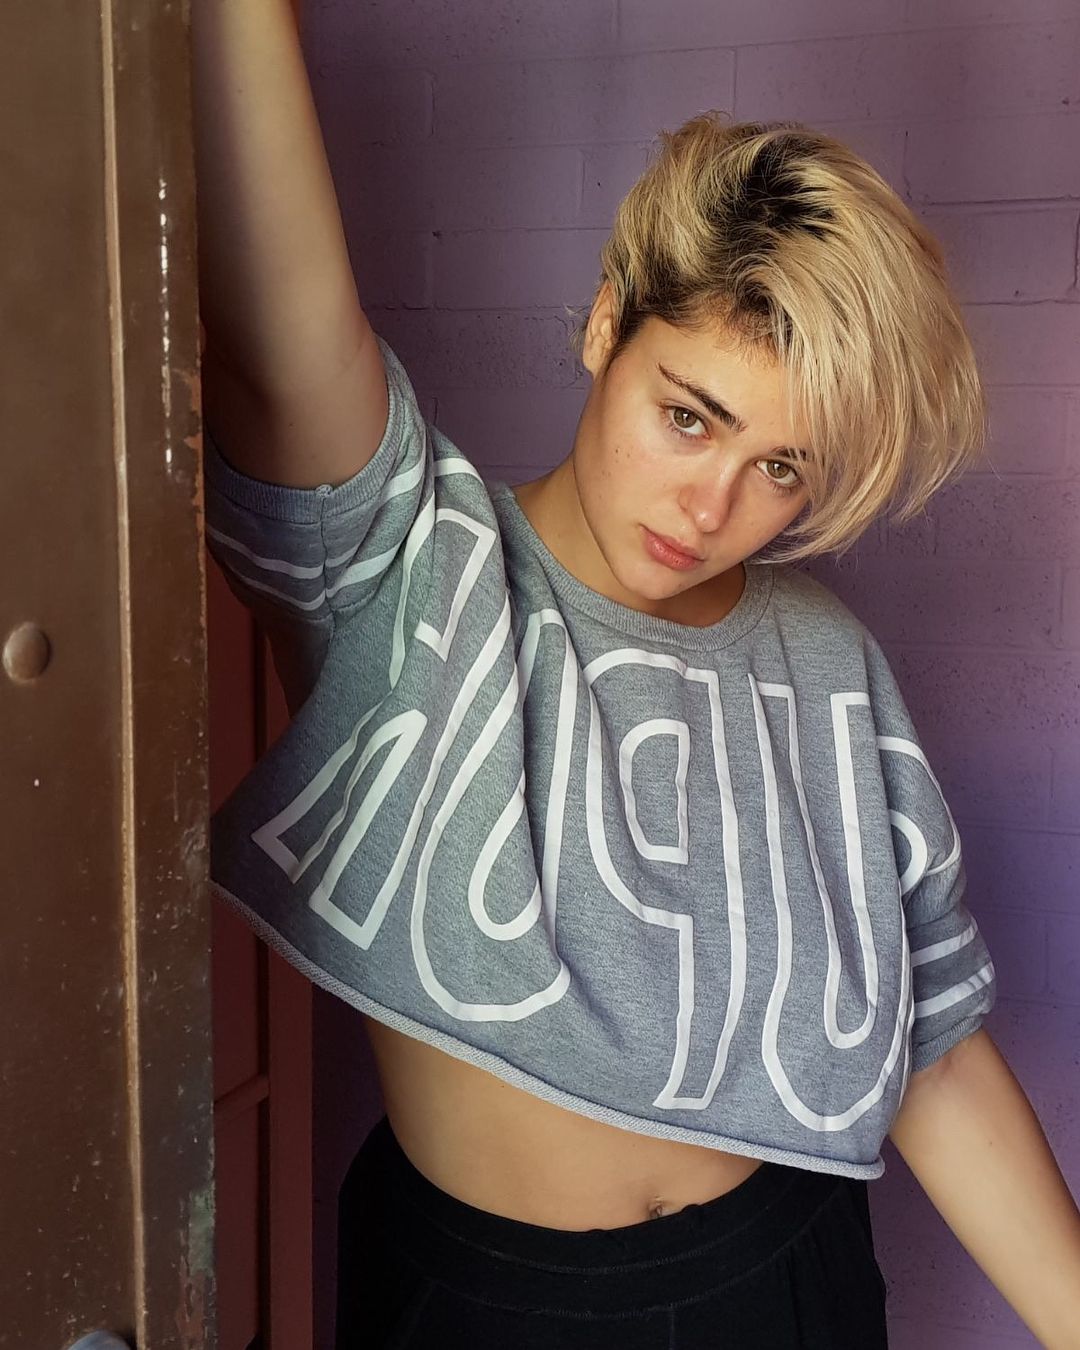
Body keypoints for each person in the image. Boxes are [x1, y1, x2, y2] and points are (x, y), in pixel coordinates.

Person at [192, 2, 1080, 1346]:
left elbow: (932, 1045)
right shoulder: (407, 561)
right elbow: (277, 328)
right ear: (608, 322)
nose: (712, 505)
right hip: (482, 1302)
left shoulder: (827, 657)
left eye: (780, 467)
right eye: (688, 416)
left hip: (792, 1276)